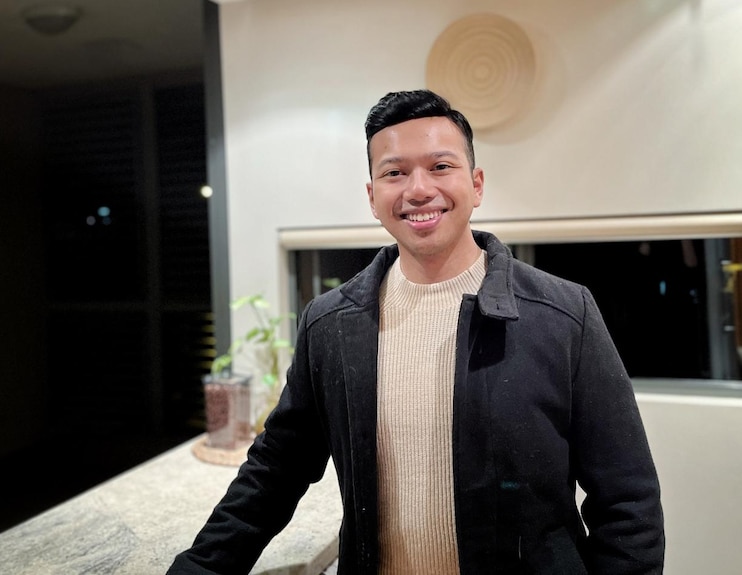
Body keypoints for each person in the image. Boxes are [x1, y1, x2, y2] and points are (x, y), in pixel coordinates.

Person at [167, 89, 664, 574]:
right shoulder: (331, 325)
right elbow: (274, 472)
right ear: (372, 196)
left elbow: (627, 499)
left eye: (441, 166)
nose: (418, 189)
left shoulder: (561, 313)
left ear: (477, 184)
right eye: (394, 173)